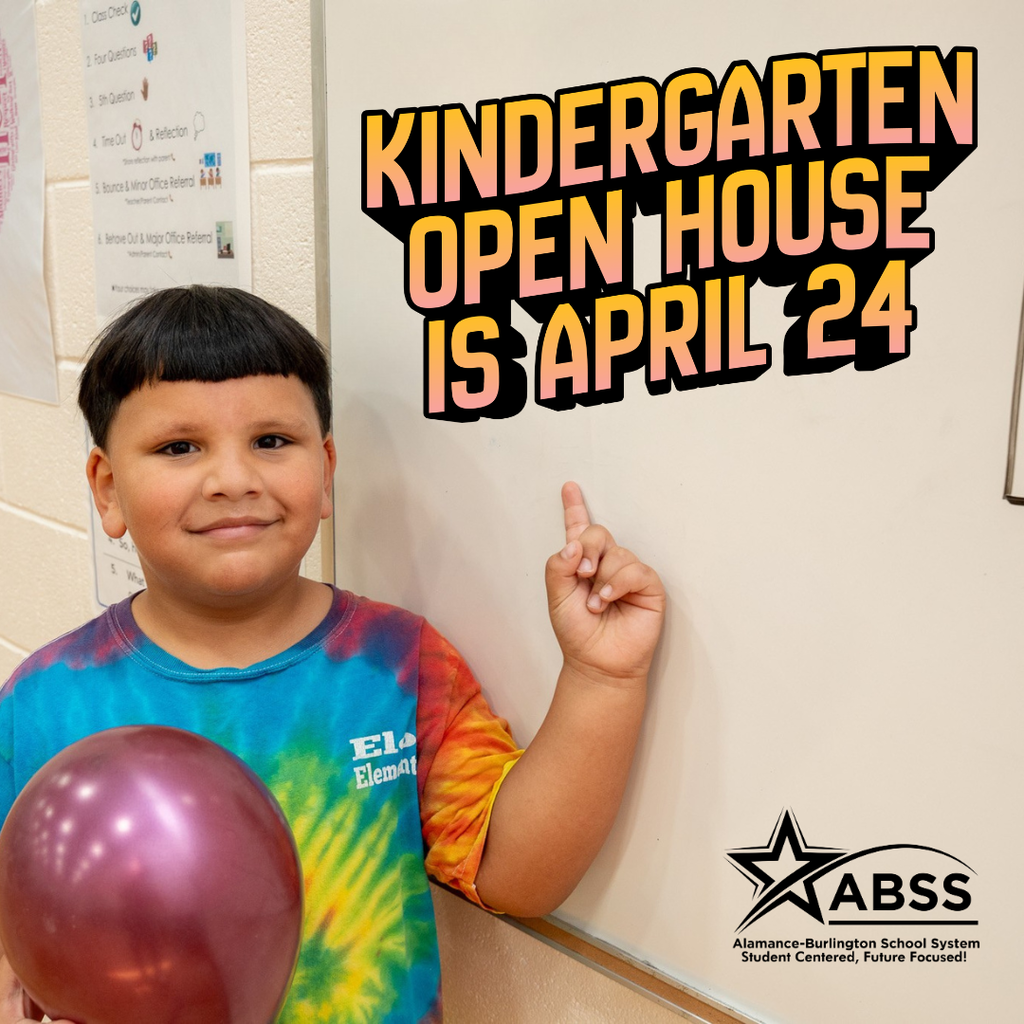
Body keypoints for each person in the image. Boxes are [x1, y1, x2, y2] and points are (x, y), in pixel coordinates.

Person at [0, 286, 665, 1023]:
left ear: (324, 470)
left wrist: (603, 678)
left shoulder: (398, 664)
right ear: (107, 489)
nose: (233, 479)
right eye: (178, 447)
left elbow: (518, 879)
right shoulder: (44, 702)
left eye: (272, 441)